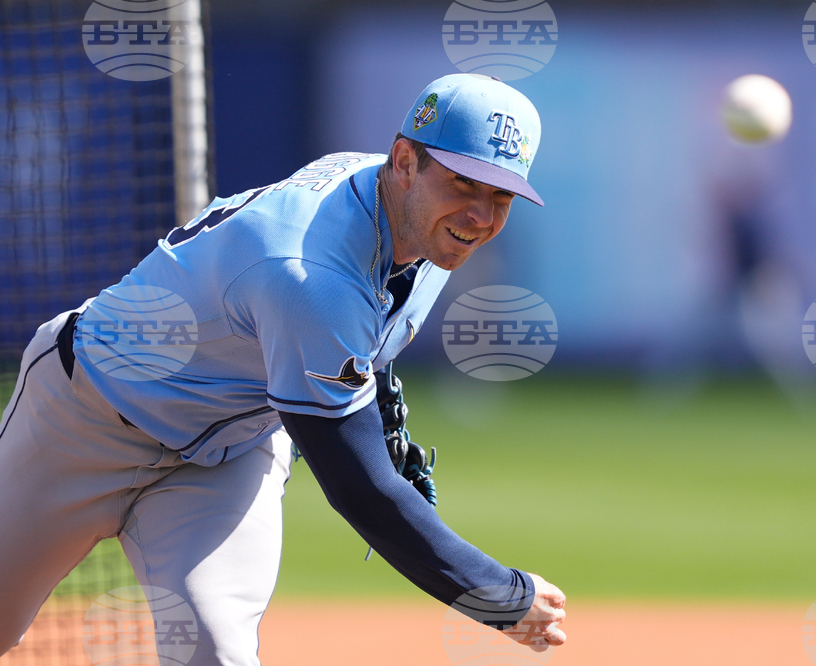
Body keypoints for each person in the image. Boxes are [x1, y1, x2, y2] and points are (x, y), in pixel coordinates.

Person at [0, 73, 566, 664]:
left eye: (501, 195)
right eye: (462, 182)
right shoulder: (307, 272)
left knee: (217, 653)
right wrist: (499, 596)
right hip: (83, 416)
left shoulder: (413, 215)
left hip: (227, 453)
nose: (479, 214)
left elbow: (362, 319)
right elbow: (361, 489)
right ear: (404, 161)